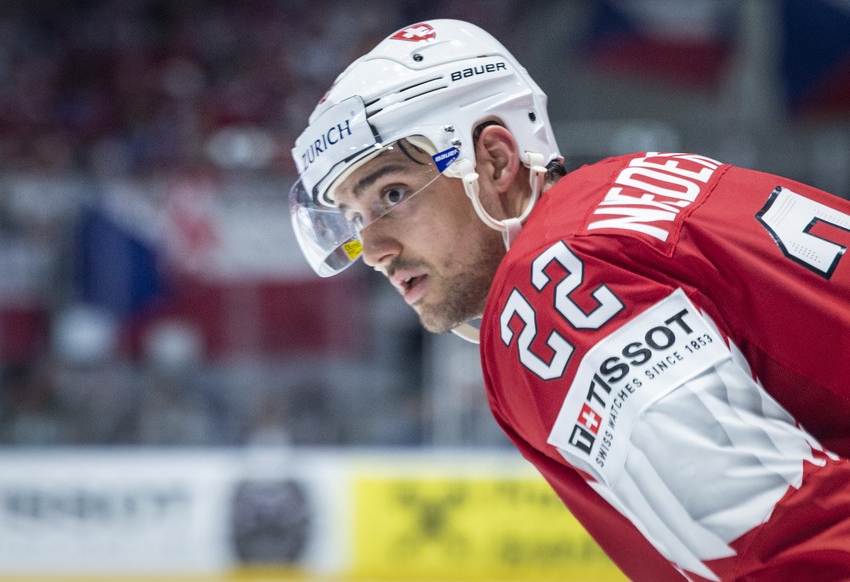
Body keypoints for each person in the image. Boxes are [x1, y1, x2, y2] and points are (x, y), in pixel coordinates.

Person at [288, 19, 850, 581]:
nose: (374, 250)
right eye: (356, 219)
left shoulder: (551, 285)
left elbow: (788, 548)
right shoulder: (624, 188)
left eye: (392, 194)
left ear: (495, 161)